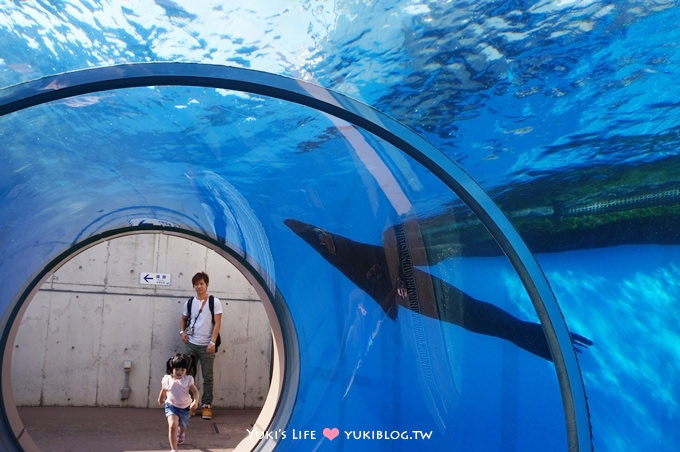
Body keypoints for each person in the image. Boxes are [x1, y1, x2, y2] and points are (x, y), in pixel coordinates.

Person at [179, 271, 223, 420]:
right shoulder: (190, 302)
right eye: (196, 284)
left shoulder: (214, 302)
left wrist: (212, 342)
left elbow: (218, 322)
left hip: (207, 346)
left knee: (208, 376)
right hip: (191, 344)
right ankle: (191, 404)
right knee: (188, 376)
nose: (199, 286)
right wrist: (182, 332)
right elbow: (183, 319)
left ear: (207, 285)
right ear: (193, 286)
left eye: (201, 284)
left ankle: (206, 405)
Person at [158, 353, 200, 452]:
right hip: (171, 405)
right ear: (172, 369)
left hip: (185, 407)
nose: (179, 372)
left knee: (183, 426)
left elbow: (195, 391)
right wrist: (160, 399)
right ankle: (174, 449)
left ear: (186, 370)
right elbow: (164, 390)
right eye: (177, 369)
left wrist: (195, 401)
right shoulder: (167, 379)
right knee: (172, 426)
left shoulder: (188, 380)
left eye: (182, 370)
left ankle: (181, 433)